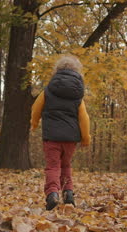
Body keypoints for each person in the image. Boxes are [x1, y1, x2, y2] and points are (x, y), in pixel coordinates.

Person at [30, 54, 91, 210]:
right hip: (70, 139)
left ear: (57, 70)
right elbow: (84, 118)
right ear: (77, 71)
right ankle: (68, 194)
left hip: (51, 137)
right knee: (66, 166)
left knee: (52, 166)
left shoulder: (48, 90)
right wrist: (85, 138)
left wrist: (34, 123)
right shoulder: (78, 95)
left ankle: (52, 194)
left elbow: (36, 107)